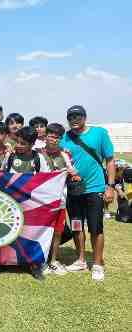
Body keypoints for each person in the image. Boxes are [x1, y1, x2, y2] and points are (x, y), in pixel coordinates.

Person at [60, 105, 115, 282]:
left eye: (78, 116)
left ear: (85, 116)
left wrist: (110, 186)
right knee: (76, 225)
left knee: (95, 227)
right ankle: (81, 259)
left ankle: (97, 264)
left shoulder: (99, 133)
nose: (74, 119)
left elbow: (110, 160)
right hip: (74, 190)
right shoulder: (65, 137)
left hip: (95, 188)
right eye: (71, 117)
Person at [2, 126, 50, 280]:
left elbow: (47, 180)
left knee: (30, 234)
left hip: (30, 205)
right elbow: (2, 175)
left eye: (23, 143)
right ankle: (3, 262)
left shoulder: (38, 159)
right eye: (18, 142)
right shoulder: (10, 157)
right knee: (7, 231)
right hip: (10, 203)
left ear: (31, 144)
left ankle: (34, 265)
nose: (19, 145)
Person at [41, 123, 79, 276]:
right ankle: (40, 260)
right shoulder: (37, 154)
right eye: (51, 136)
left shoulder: (66, 155)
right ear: (45, 136)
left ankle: (53, 260)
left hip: (60, 200)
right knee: (42, 230)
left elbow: (73, 173)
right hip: (40, 201)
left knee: (57, 232)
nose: (53, 139)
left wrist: (74, 175)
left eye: (57, 137)